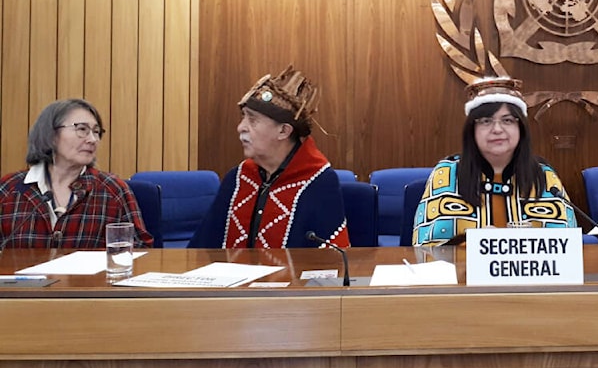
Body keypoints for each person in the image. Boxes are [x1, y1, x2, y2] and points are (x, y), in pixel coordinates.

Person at [189, 66, 349, 249]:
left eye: (253, 120)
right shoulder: (237, 179)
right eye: (243, 118)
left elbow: (328, 264)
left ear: (283, 131)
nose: (241, 127)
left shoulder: (318, 182)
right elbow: (202, 251)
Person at [412, 77, 576, 246]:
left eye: (507, 120)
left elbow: (567, 246)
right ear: (472, 130)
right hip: (464, 271)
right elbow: (426, 247)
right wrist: (475, 243)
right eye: (486, 121)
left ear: (521, 129)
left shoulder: (543, 174)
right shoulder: (448, 173)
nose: (497, 129)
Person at [0, 98, 153, 249]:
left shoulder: (112, 190)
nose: (92, 139)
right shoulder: (9, 189)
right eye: (82, 129)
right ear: (51, 135)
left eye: (96, 132)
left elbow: (139, 251)